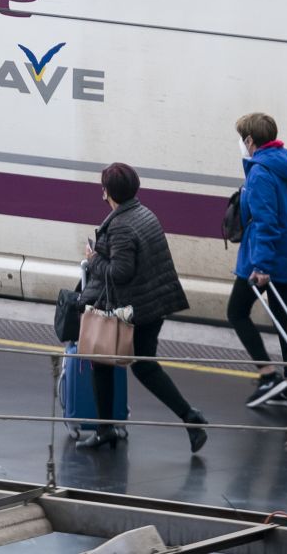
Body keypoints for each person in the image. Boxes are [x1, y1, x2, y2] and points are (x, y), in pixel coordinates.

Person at [79, 162, 209, 454]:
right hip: (153, 303)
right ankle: (187, 418)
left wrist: (92, 259)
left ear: (107, 192)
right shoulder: (143, 212)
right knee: (140, 365)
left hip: (136, 309)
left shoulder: (122, 225)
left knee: (110, 362)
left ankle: (108, 429)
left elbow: (121, 271)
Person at [226, 112, 287, 409]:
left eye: (241, 139)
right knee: (284, 320)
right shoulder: (283, 162)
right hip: (286, 255)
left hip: (263, 258)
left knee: (236, 311)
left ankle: (268, 375)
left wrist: (261, 267)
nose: (241, 144)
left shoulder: (260, 172)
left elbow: (265, 222)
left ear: (250, 140)